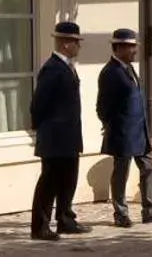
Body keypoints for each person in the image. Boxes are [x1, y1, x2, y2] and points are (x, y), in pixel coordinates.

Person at [97, 27, 152, 227]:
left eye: (135, 47)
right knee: (121, 172)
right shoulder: (110, 72)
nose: (135, 51)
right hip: (122, 132)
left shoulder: (129, 68)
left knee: (150, 166)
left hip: (140, 130)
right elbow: (102, 106)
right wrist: (110, 125)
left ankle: (150, 210)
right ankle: (120, 213)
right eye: (131, 47)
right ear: (119, 48)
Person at [29, 21, 90, 242]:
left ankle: (65, 219)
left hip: (69, 137)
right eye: (76, 43)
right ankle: (40, 227)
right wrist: (44, 130)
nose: (78, 47)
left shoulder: (67, 67)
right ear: (66, 44)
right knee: (49, 183)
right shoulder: (52, 69)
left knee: (68, 180)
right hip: (55, 138)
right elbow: (38, 104)